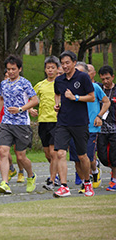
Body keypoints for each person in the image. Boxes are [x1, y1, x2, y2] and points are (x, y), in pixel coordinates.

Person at [0, 54, 38, 194]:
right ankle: (5, 182)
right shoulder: (4, 83)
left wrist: (21, 109)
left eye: (13, 69)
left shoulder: (25, 83)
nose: (10, 72)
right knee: (3, 152)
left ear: (19, 69)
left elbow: (35, 100)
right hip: (6, 122)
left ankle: (31, 176)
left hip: (22, 124)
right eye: (8, 69)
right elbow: (1, 98)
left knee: (20, 156)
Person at [53, 50, 95, 198]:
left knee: (82, 156)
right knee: (60, 153)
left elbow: (91, 97)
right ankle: (64, 186)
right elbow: (57, 94)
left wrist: (75, 97)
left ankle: (87, 182)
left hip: (80, 122)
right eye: (62, 63)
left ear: (74, 63)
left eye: (67, 63)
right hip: (63, 122)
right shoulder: (59, 80)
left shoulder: (83, 77)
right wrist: (57, 105)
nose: (64, 66)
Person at [69, 62, 110, 194]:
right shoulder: (70, 88)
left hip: (91, 128)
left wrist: (99, 116)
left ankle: (95, 170)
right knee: (77, 159)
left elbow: (106, 102)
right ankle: (84, 183)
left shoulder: (94, 87)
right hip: (75, 127)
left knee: (88, 157)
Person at [31, 56, 61, 191]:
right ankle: (57, 173)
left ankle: (52, 180)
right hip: (43, 121)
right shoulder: (40, 85)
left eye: (52, 68)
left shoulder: (61, 83)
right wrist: (31, 108)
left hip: (57, 121)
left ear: (57, 69)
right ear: (45, 69)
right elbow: (30, 98)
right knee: (47, 154)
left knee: (54, 153)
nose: (50, 70)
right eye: (48, 68)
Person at [97, 65, 116, 191]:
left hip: (115, 129)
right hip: (101, 129)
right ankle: (112, 171)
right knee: (103, 157)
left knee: (114, 156)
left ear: (113, 77)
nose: (105, 81)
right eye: (103, 79)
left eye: (107, 78)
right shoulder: (98, 90)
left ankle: (114, 180)